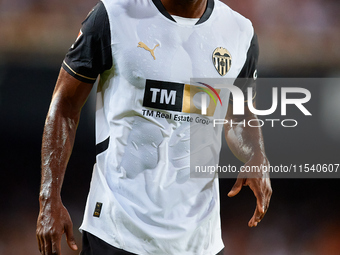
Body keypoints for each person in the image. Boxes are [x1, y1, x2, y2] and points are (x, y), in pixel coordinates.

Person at [36, 0, 272, 254]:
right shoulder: (112, 16)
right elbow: (65, 104)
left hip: (199, 242)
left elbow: (239, 116)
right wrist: (49, 198)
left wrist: (256, 153)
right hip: (117, 233)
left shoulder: (240, 32)